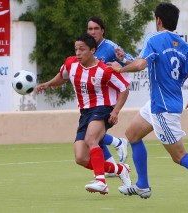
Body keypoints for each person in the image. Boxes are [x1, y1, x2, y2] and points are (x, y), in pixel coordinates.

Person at [107, 2, 188, 208]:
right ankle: (142, 184)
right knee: (132, 133)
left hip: (163, 110)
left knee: (180, 157)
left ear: (158, 20)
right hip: (160, 104)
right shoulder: (185, 46)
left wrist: (120, 69)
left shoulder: (154, 38)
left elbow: (142, 64)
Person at [35, 34, 131, 194]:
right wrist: (48, 84)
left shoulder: (104, 70)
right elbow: (62, 76)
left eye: (82, 49)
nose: (78, 53)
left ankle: (101, 181)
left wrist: (115, 111)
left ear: (93, 50)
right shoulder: (71, 63)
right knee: (80, 157)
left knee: (91, 139)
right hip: (85, 113)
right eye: (76, 49)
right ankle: (119, 169)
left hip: (103, 108)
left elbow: (124, 89)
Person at [86, 16, 134, 170]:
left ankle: (118, 143)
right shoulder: (87, 47)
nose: (92, 32)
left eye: (96, 29)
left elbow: (136, 63)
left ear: (102, 31)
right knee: (93, 135)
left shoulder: (111, 47)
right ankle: (113, 163)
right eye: (90, 29)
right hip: (96, 97)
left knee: (92, 134)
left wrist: (122, 60)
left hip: (110, 97)